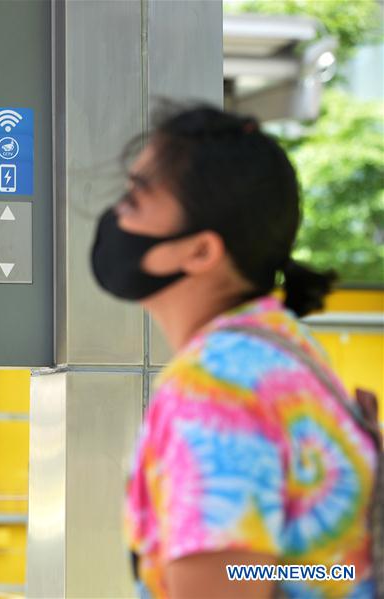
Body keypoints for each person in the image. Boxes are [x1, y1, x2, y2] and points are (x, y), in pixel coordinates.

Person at [90, 106, 380, 598]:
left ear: (201, 251)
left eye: (135, 200)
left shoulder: (215, 389)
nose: (117, 215)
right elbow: (286, 569)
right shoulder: (286, 351)